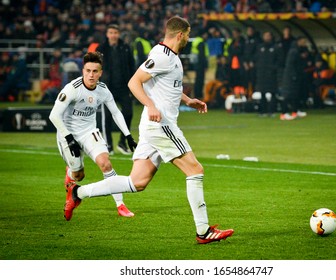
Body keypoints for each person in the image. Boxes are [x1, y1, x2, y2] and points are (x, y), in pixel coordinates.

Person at [63, 16, 234, 244]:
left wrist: (188, 100)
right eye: (188, 34)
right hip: (161, 126)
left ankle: (78, 193)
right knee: (195, 170)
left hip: (152, 127)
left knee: (137, 182)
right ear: (180, 34)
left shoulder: (171, 57)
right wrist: (150, 105)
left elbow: (166, 88)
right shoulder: (162, 55)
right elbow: (134, 82)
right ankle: (203, 231)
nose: (189, 39)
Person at [49, 51, 138, 218]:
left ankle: (120, 205)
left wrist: (128, 136)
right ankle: (71, 177)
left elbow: (116, 113)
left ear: (100, 73)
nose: (91, 75)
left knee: (106, 164)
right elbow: (54, 115)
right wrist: (69, 138)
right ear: (83, 70)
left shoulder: (103, 90)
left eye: (95, 71)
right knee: (79, 175)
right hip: (67, 133)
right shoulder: (72, 89)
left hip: (89, 132)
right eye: (88, 70)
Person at [97, 24, 135, 155]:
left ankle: (122, 142)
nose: (113, 35)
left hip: (124, 87)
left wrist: (132, 85)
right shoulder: (101, 48)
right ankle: (108, 145)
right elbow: (95, 67)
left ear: (118, 34)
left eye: (115, 32)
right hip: (107, 89)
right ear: (107, 34)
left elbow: (132, 67)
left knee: (129, 113)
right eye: (111, 32)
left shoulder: (125, 48)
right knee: (106, 117)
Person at [280, 36, 309, 120]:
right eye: (303, 41)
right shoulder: (293, 51)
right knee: (288, 94)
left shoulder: (298, 51)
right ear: (299, 41)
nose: (305, 43)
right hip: (291, 77)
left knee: (295, 94)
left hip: (295, 76)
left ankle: (295, 111)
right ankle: (283, 113)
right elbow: (290, 65)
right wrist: (293, 75)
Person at [253, 31, 280, 116]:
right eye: (265, 36)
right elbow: (256, 58)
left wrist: (273, 69)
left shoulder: (276, 47)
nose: (266, 37)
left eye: (268, 36)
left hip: (271, 74)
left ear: (271, 37)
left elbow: (280, 60)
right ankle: (262, 111)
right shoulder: (260, 47)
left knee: (273, 93)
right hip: (261, 74)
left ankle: (272, 111)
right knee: (262, 93)